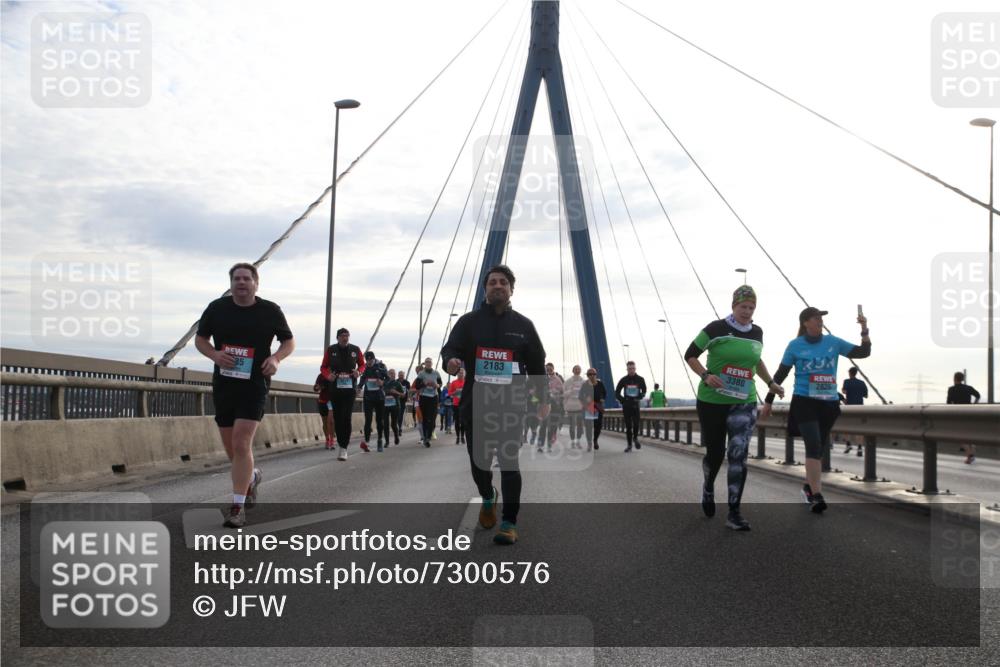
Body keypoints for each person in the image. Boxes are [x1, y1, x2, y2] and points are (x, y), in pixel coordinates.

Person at [442, 264, 548, 546]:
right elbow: (450, 349)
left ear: (511, 289)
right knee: (480, 466)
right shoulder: (468, 323)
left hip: (511, 407)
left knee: (510, 465)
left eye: (503, 282)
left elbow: (537, 365)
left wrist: (542, 400)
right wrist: (451, 362)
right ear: (485, 289)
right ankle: (488, 496)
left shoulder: (524, 327)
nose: (497, 286)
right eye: (492, 282)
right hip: (476, 406)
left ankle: (509, 523)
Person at [195, 263, 294, 528]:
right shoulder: (217, 308)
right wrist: (214, 355)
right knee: (232, 449)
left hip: (255, 383)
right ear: (231, 283)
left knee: (241, 443)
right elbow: (201, 339)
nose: (241, 282)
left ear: (255, 283)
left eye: (246, 278)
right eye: (236, 278)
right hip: (225, 384)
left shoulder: (270, 310)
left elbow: (288, 342)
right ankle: (251, 476)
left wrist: (276, 358)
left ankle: (237, 507)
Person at [685, 285, 781, 531]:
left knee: (738, 454)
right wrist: (706, 375)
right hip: (712, 402)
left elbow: (756, 361)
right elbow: (690, 354)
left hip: (744, 401)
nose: (747, 312)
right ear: (733, 306)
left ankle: (734, 512)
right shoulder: (715, 329)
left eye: (751, 307)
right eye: (743, 307)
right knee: (716, 454)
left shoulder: (757, 332)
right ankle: (708, 487)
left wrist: (770, 382)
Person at [765, 306, 871, 514]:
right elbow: (780, 374)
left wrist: (864, 327)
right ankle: (817, 495)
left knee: (820, 446)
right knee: (813, 445)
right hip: (804, 401)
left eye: (821, 318)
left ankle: (808, 487)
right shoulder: (795, 346)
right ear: (805, 322)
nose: (820, 321)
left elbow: (864, 352)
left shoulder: (833, 342)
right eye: (816, 318)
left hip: (829, 403)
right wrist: (768, 400)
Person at [320, 327, 366, 461]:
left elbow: (362, 365)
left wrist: (359, 372)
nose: (345, 338)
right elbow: (323, 367)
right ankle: (341, 443)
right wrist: (328, 376)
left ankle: (343, 448)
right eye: (343, 336)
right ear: (338, 337)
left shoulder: (355, 350)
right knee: (337, 419)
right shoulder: (331, 350)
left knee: (346, 417)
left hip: (350, 389)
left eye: (347, 335)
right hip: (335, 389)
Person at [947, 372, 981, 463]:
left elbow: (948, 403)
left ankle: (970, 454)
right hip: (969, 413)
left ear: (954, 378)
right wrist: (974, 405)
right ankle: (970, 455)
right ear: (962, 379)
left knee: (959, 436)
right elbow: (978, 395)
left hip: (958, 415)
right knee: (967, 434)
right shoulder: (968, 388)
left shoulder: (951, 389)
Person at [359, 351, 390, 452]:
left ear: (374, 359)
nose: (369, 362)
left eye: (370, 360)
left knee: (379, 420)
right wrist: (359, 388)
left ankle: (380, 440)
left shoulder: (380, 368)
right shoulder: (365, 369)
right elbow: (362, 380)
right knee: (368, 420)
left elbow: (389, 380)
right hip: (368, 398)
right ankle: (367, 442)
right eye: (367, 360)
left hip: (379, 398)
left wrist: (383, 382)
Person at [615, 362, 648, 452]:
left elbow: (644, 390)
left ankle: (635, 438)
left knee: (636, 424)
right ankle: (629, 445)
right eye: (630, 369)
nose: (631, 370)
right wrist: (622, 400)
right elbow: (617, 392)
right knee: (629, 426)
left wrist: (640, 396)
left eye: (633, 368)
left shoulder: (640, 379)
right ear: (627, 369)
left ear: (635, 368)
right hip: (626, 405)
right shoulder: (623, 380)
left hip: (635, 405)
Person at [841, 366, 868, 456]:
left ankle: (848, 444)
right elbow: (866, 395)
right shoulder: (861, 383)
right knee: (859, 429)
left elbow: (844, 392)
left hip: (849, 407)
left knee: (846, 427)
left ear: (849, 373)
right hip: (860, 408)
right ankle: (860, 448)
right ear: (856, 373)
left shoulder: (847, 382)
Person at [537, 363, 564, 452]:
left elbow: (562, 392)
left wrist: (553, 393)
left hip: (555, 406)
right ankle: (540, 445)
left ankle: (549, 445)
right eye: (546, 369)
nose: (548, 370)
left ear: (553, 369)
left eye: (550, 369)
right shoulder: (541, 380)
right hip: (544, 405)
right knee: (543, 426)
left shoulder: (557, 379)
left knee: (551, 427)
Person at [416, 358, 443, 447]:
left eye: (430, 362)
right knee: (424, 419)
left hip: (433, 397)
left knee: (431, 418)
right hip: (424, 397)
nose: (428, 364)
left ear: (432, 363)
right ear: (425, 364)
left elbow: (440, 384)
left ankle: (428, 437)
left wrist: (437, 385)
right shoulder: (421, 373)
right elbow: (417, 386)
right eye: (427, 362)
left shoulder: (436, 373)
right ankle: (425, 438)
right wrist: (425, 384)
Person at [580, 368, 606, 452]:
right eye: (589, 374)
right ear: (587, 376)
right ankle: (589, 443)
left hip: (598, 407)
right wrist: (585, 400)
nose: (591, 376)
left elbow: (604, 393)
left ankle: (595, 440)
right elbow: (580, 396)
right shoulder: (585, 385)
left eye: (593, 374)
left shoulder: (600, 384)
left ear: (596, 375)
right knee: (588, 427)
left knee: (598, 426)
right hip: (588, 407)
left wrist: (602, 398)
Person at [563, 365, 586, 449]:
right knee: (572, 426)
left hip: (580, 407)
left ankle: (578, 442)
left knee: (580, 426)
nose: (577, 370)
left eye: (578, 369)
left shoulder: (584, 382)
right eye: (575, 369)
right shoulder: (568, 381)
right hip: (571, 407)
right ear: (573, 370)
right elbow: (563, 394)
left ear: (580, 371)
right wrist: (571, 391)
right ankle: (573, 442)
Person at [383, 368, 404, 446]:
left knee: (393, 424)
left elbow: (403, 395)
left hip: (395, 406)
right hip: (385, 406)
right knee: (385, 424)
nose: (392, 375)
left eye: (393, 373)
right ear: (388, 374)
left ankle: (396, 436)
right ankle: (387, 441)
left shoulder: (398, 384)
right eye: (391, 373)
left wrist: (396, 392)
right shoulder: (384, 383)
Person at [312, 372, 333, 448]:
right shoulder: (321, 376)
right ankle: (327, 439)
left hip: (332, 401)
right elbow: (315, 388)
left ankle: (332, 440)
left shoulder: (335, 374)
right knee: (325, 422)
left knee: (331, 421)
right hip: (322, 401)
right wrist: (317, 387)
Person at [448, 368, 467, 444]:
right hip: (456, 404)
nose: (460, 374)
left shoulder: (466, 382)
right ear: (457, 374)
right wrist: (455, 392)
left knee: (463, 422)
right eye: (459, 373)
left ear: (464, 374)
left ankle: (462, 436)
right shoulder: (453, 382)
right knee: (457, 421)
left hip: (464, 405)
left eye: (462, 373)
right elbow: (449, 394)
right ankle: (457, 437)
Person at [395, 370, 411, 434]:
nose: (401, 376)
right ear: (398, 375)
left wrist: (409, 397)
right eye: (400, 375)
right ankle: (397, 426)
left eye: (402, 375)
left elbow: (409, 391)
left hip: (403, 400)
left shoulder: (407, 382)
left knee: (401, 414)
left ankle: (400, 428)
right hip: (396, 400)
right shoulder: (395, 382)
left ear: (404, 376)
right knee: (397, 414)